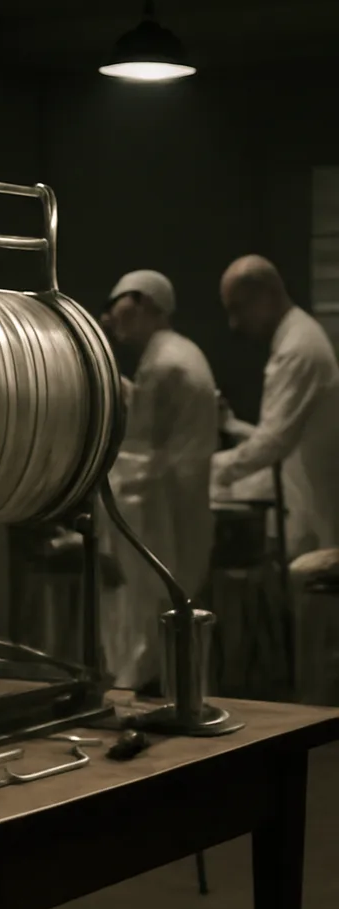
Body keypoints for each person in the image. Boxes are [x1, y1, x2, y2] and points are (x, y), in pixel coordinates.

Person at [100, 269, 219, 691]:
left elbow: (139, 453)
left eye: (119, 305)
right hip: (180, 502)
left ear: (142, 303)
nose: (112, 316)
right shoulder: (180, 353)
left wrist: (104, 517)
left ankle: (136, 695)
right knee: (170, 614)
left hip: (159, 508)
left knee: (147, 618)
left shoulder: (163, 363)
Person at [213, 254, 339, 556]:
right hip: (303, 501)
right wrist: (232, 425)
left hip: (310, 508)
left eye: (238, 309)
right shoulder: (297, 338)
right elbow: (286, 432)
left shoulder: (297, 349)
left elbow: (273, 443)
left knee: (309, 599)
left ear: (266, 295)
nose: (234, 323)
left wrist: (210, 468)